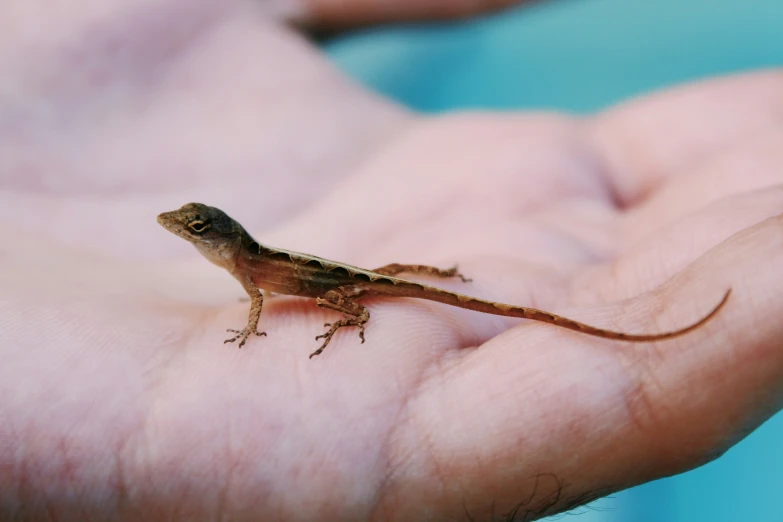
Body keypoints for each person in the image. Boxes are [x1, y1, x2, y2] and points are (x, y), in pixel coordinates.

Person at [1, 1, 781, 520]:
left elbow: (258, 303)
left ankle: (410, 289)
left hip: (346, 283)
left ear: (220, 235)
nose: (182, 229)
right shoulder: (246, 263)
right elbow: (254, 297)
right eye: (190, 225)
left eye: (195, 225)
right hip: (342, 271)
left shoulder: (249, 272)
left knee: (389, 293)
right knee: (400, 284)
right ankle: (423, 280)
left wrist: (335, 318)